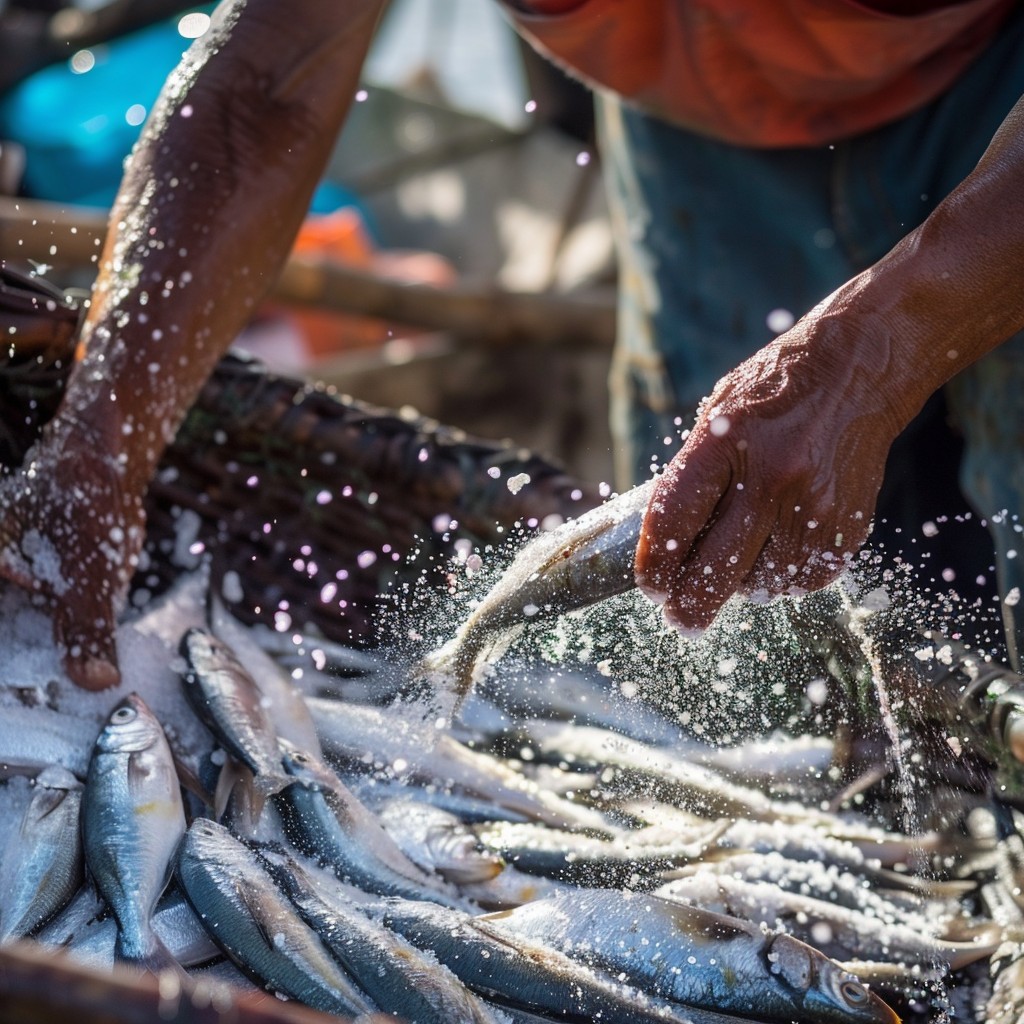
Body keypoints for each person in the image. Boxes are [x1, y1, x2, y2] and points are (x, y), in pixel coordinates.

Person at [1, 0, 1022, 689]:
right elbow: (262, 87)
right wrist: (100, 439)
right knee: (726, 610)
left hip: (996, 109)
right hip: (696, 126)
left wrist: (873, 350)